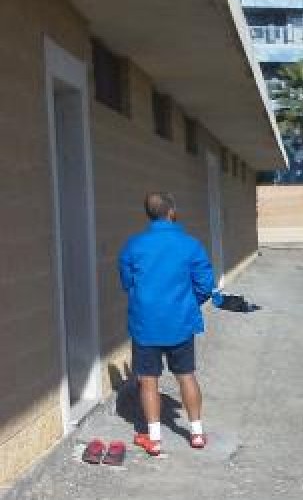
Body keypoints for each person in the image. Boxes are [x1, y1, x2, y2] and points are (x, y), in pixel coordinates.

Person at [118, 192, 214, 456]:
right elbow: (205, 285)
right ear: (172, 211)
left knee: (148, 381)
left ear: (148, 214)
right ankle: (196, 433)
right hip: (180, 322)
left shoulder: (133, 245)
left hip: (145, 323)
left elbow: (127, 282)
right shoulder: (190, 245)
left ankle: (155, 439)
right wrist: (187, 303)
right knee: (186, 375)